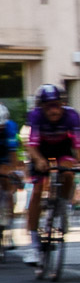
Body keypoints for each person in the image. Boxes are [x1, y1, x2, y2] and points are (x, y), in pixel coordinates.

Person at [21, 85, 80, 265]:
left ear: (62, 104)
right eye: (48, 106)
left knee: (69, 173)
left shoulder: (72, 116)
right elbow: (31, 145)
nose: (54, 110)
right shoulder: (35, 116)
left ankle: (62, 205)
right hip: (41, 148)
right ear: (42, 107)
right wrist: (39, 160)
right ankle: (33, 246)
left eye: (56, 105)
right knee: (37, 191)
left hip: (63, 148)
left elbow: (78, 147)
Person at [0, 102, 21, 244]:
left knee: (8, 183)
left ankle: (11, 229)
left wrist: (12, 171)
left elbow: (13, 154)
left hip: (5, 155)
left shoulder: (10, 127)